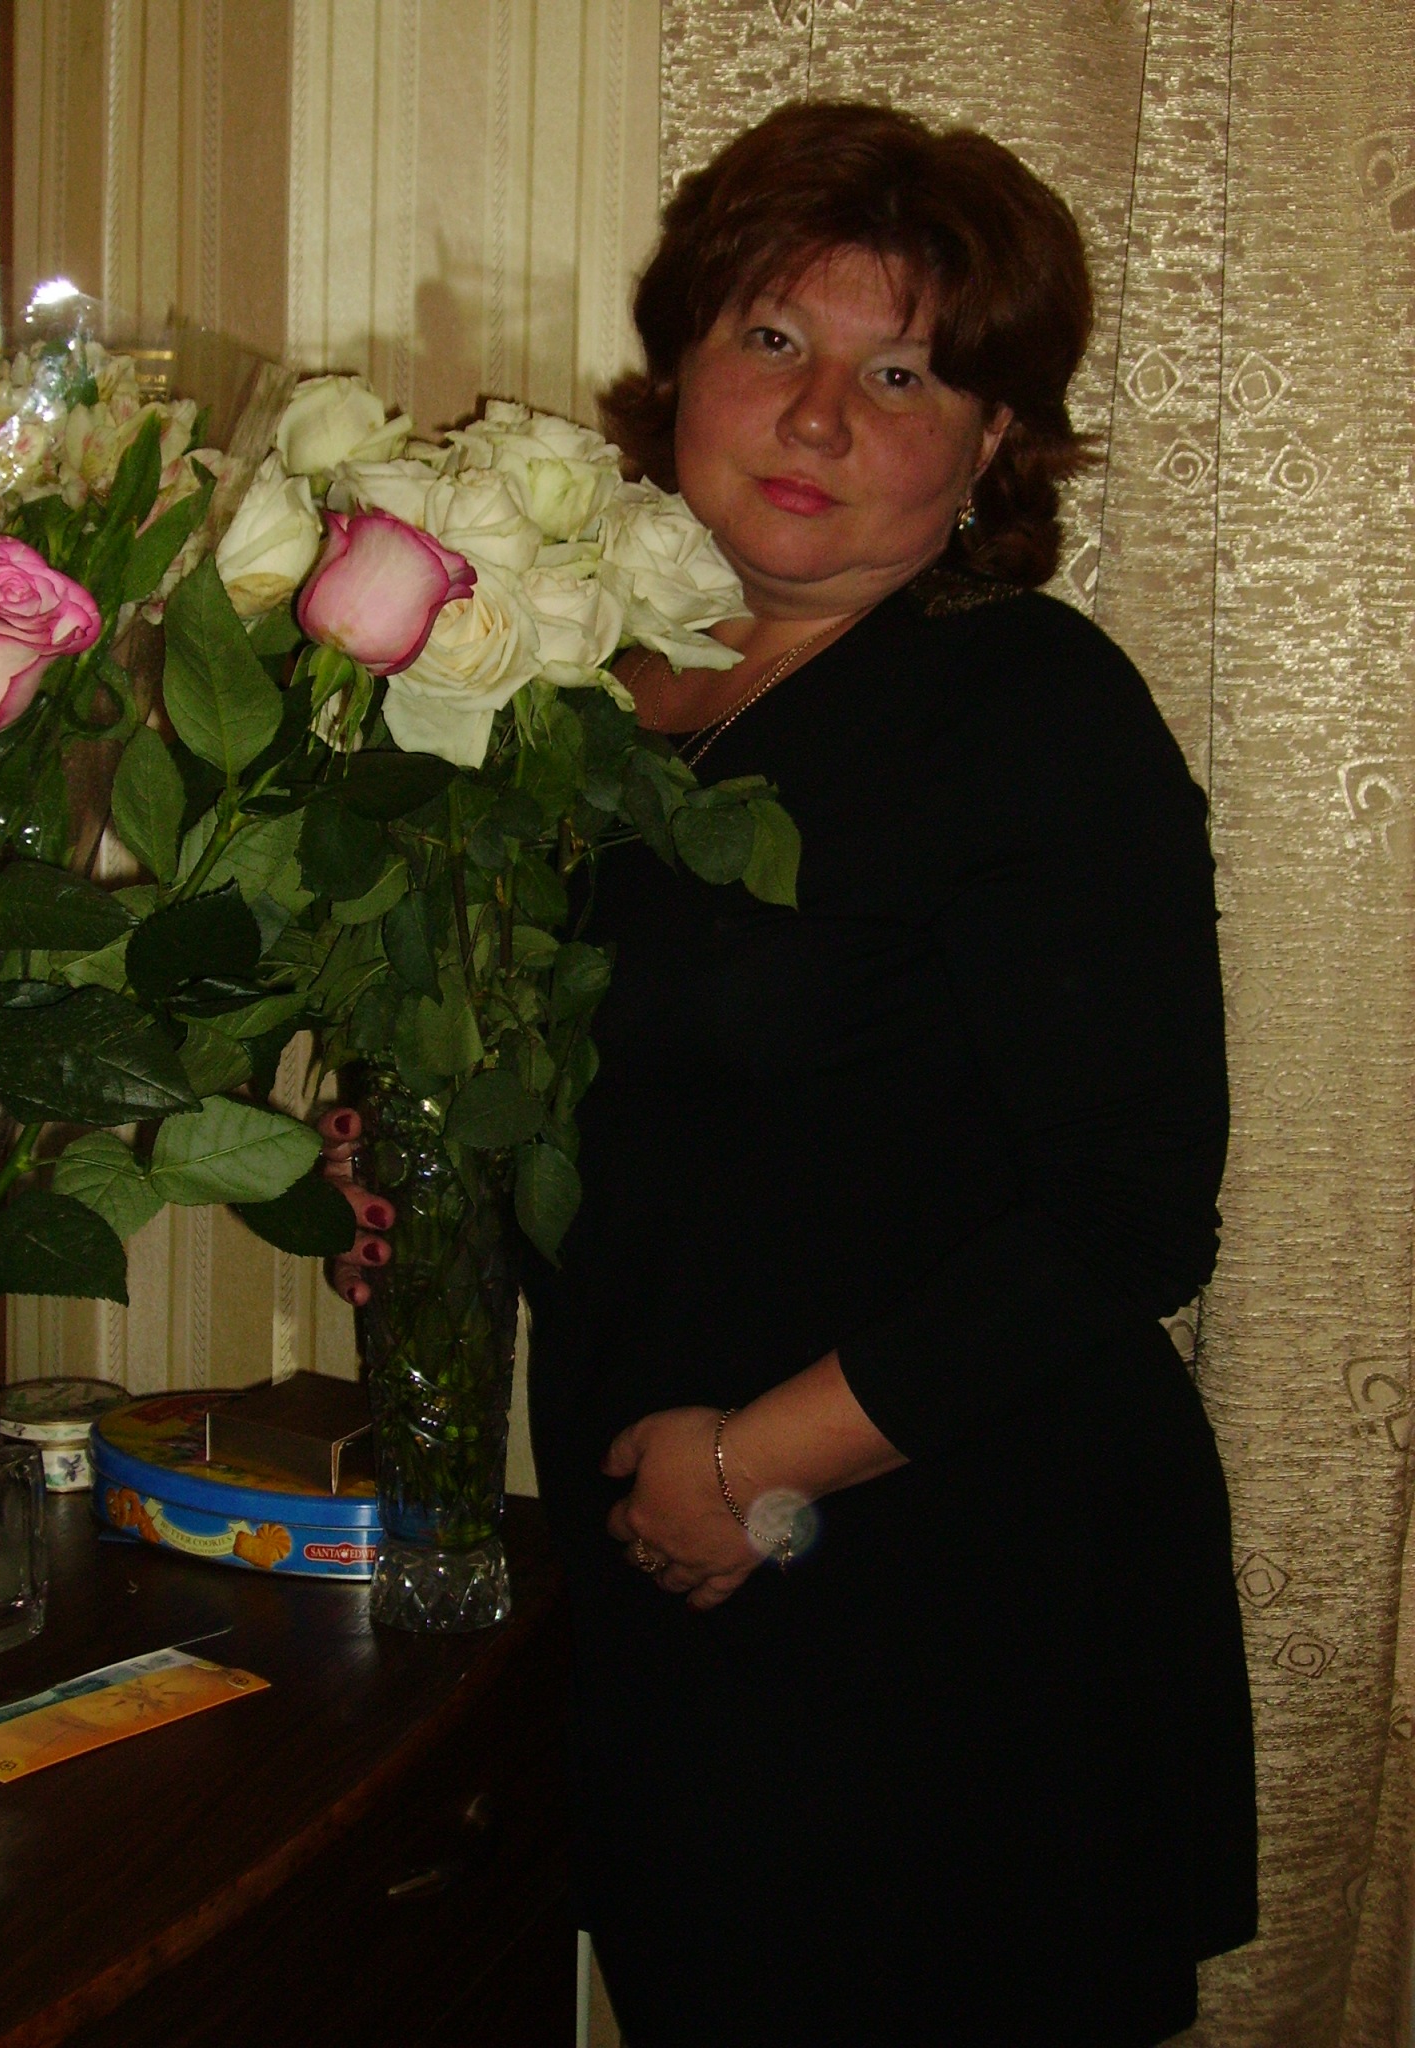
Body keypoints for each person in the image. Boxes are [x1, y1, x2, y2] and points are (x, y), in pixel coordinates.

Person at [325, 100, 1256, 2048]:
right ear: (680, 365)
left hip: (967, 1619)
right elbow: (599, 1093)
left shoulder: (1030, 712)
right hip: (673, 1590)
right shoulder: (559, 688)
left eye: (901, 373)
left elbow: (1130, 1212)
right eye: (772, 338)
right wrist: (406, 1165)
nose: (818, 416)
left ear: (991, 446)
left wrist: (755, 1467)